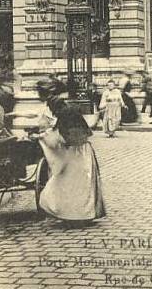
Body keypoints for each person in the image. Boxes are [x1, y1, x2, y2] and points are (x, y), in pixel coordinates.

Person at [30, 86, 105, 224]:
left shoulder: (63, 115)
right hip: (85, 151)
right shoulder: (71, 111)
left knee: (65, 183)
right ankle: (84, 213)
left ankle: (69, 213)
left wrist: (39, 136)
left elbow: (56, 138)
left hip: (73, 153)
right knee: (83, 185)